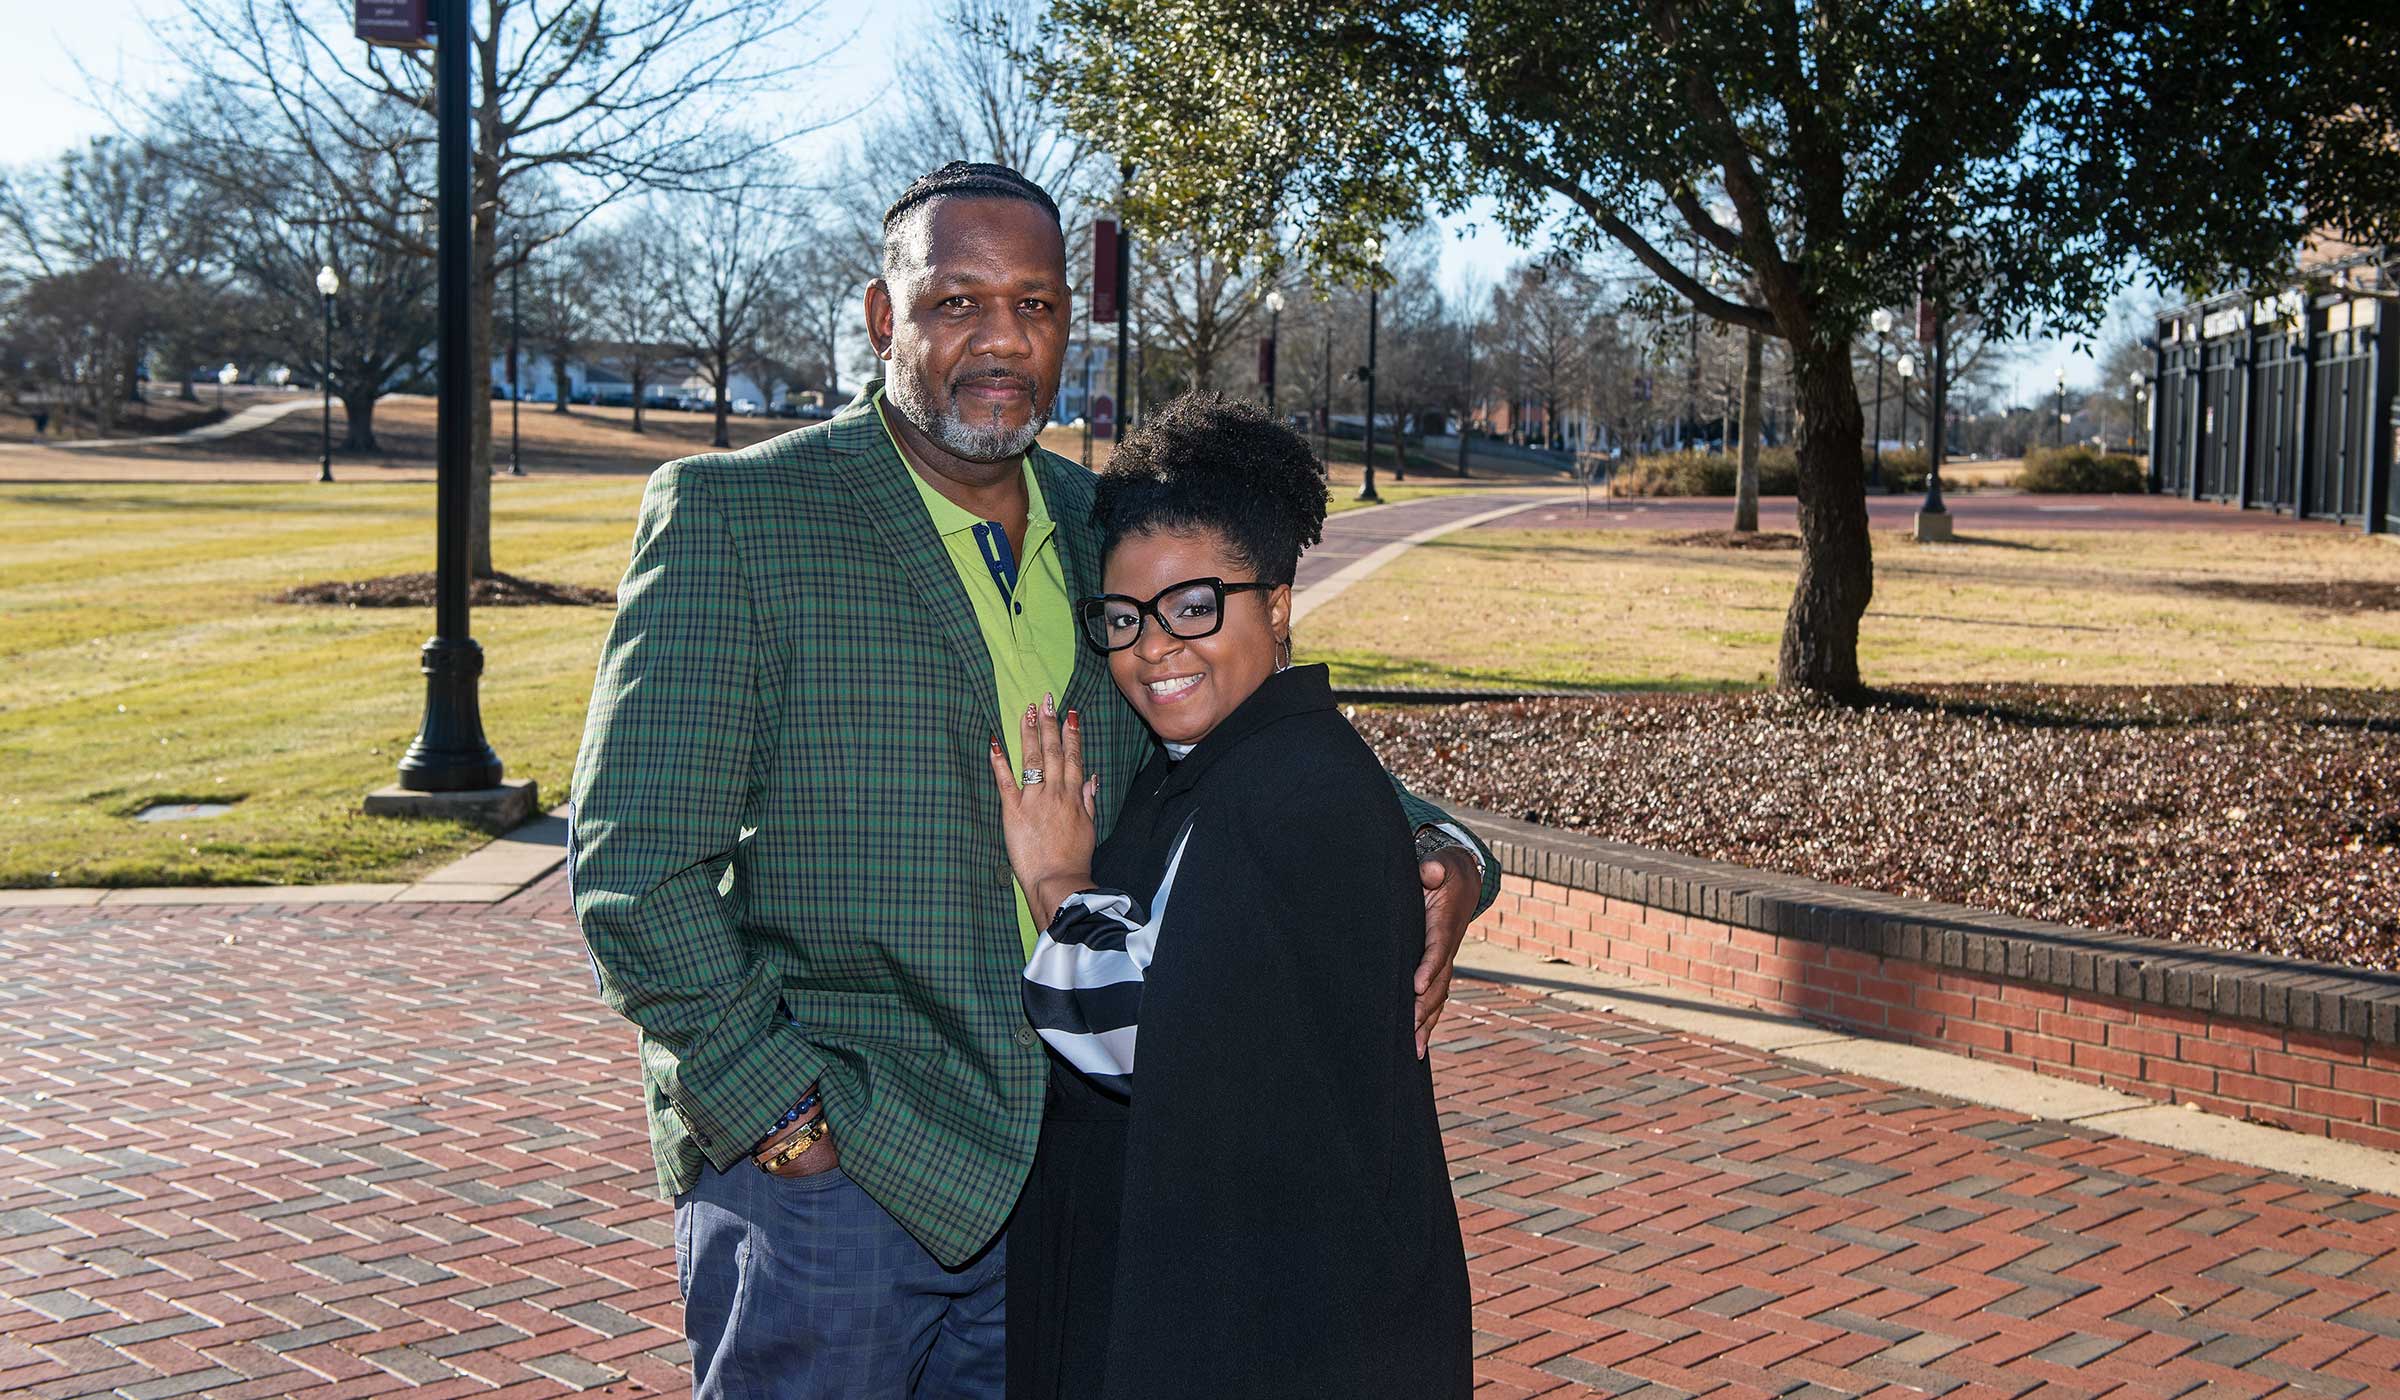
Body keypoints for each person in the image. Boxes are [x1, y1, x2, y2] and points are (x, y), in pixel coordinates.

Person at [568, 161, 1497, 1400]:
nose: (1002, 338)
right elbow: (634, 867)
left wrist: (1442, 851)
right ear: (883, 316)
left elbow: (1234, 731)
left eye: (1038, 304)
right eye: (958, 301)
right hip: (837, 1181)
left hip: (1066, 1179)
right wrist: (777, 1116)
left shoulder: (1102, 524)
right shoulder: (742, 514)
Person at [990, 393, 1472, 1400]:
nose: (1154, 646)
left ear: (1280, 604)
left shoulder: (1292, 790)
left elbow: (1135, 1023)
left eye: (1194, 605)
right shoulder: (1212, 767)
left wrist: (1055, 879)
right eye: (1123, 618)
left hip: (1276, 1324)